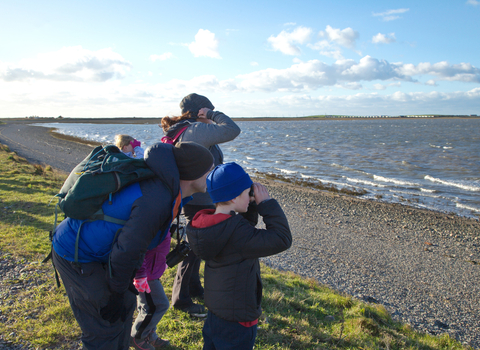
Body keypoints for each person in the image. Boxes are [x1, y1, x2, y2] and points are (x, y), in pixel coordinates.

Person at [52, 141, 214, 350]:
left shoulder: (170, 189)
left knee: (126, 306)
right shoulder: (157, 198)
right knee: (104, 326)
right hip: (76, 253)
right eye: (209, 169)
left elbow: (136, 245)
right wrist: (116, 292)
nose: (212, 174)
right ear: (193, 173)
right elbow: (127, 250)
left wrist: (121, 290)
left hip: (102, 253)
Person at [186, 162, 292, 350]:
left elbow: (241, 228)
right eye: (246, 192)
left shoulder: (211, 225)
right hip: (238, 317)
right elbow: (282, 239)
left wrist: (248, 203)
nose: (250, 196)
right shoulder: (237, 232)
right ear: (234, 197)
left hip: (217, 311)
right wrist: (266, 204)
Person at [161, 93, 241, 318]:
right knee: (192, 249)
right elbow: (232, 130)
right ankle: (181, 299)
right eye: (209, 110)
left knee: (196, 248)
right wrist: (213, 115)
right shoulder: (195, 129)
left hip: (196, 197)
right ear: (200, 112)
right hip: (198, 199)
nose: (212, 115)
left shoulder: (186, 129)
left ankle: (194, 289)